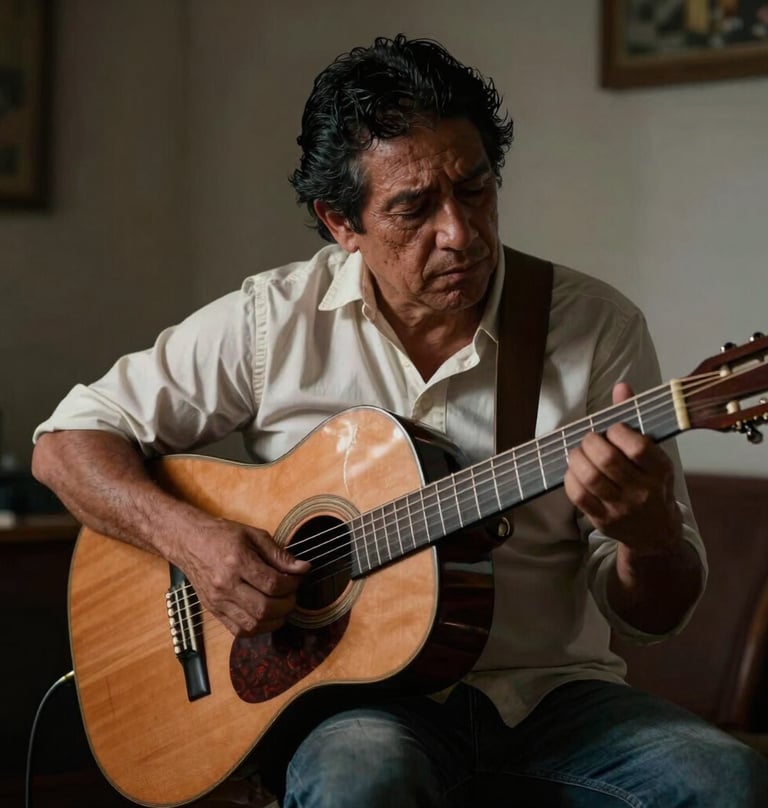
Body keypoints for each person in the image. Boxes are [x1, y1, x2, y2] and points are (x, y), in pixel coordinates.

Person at [32, 34, 767, 808]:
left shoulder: (594, 329)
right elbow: (65, 445)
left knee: (733, 781)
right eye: (414, 208)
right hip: (352, 708)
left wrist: (647, 534)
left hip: (550, 698)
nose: (460, 233)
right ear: (339, 222)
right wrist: (194, 541)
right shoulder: (271, 321)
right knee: (364, 780)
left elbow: (654, 617)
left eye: (476, 189)